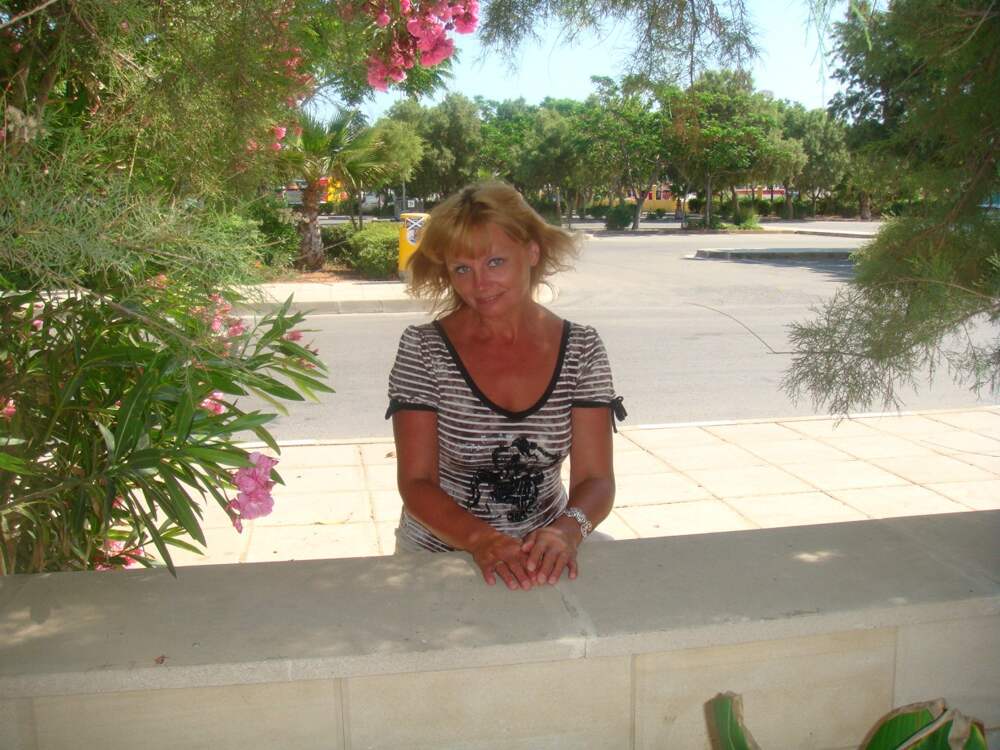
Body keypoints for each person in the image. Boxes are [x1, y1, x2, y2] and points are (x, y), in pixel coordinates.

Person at [385, 182, 625, 591]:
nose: (479, 284)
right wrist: (481, 540)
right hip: (439, 557)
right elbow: (416, 482)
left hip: (545, 555)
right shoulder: (423, 349)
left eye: (495, 262)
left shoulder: (581, 347)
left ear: (531, 252)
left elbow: (596, 479)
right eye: (462, 269)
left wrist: (567, 531)